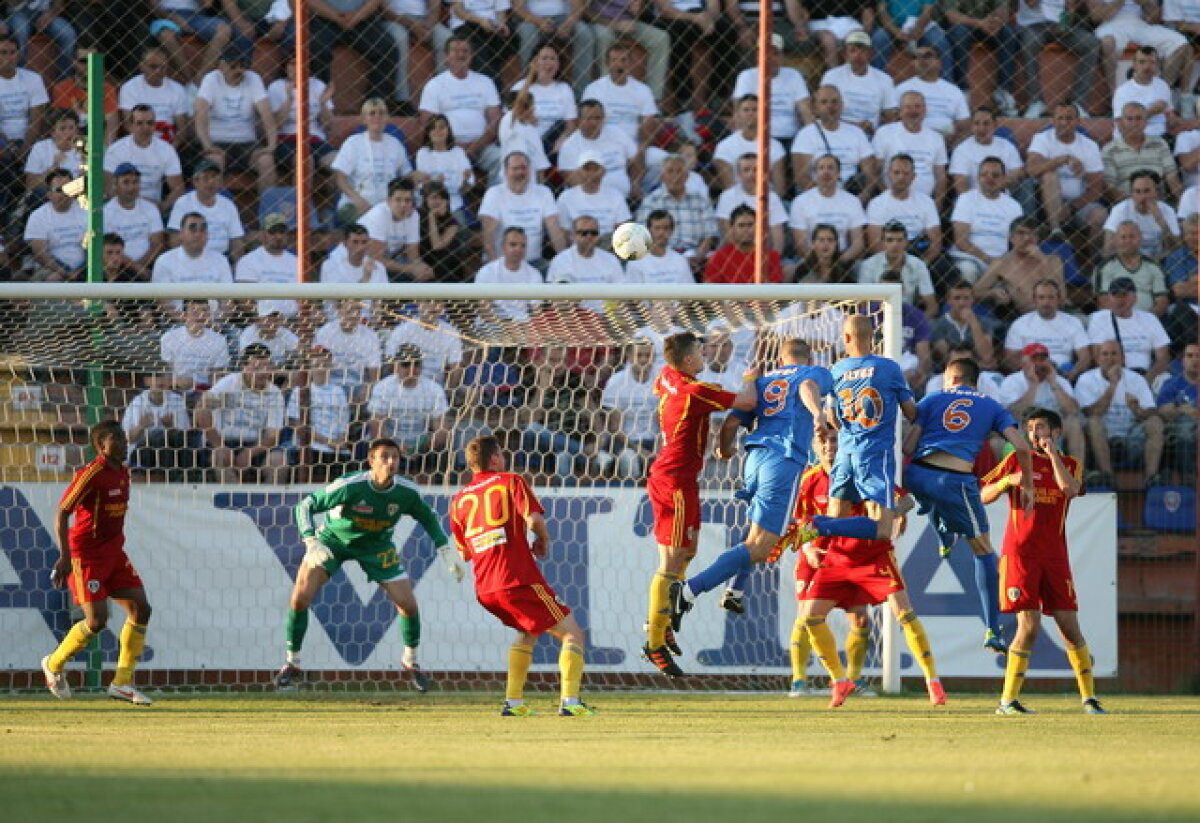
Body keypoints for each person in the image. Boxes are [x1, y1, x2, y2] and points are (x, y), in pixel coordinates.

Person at [669, 338, 830, 622]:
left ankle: (735, 589)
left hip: (754, 461)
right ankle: (690, 589)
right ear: (811, 359)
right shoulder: (812, 374)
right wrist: (818, 414)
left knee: (758, 534)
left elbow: (732, 422)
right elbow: (807, 388)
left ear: (781, 359)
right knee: (760, 547)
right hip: (784, 460)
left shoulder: (762, 381)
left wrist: (724, 447)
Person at [276, 437, 455, 692]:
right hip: (334, 541)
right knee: (299, 599)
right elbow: (305, 505)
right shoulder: (350, 485)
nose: (391, 462)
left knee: (408, 605)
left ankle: (410, 661)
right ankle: (291, 663)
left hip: (377, 547)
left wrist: (444, 547)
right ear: (371, 461)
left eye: (395, 457)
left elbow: (428, 517)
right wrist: (310, 540)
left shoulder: (406, 492)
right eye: (384, 457)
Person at [794, 431, 947, 708]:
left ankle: (932, 682)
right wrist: (807, 548)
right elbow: (801, 519)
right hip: (837, 557)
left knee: (903, 612)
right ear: (816, 446)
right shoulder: (811, 480)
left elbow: (907, 499)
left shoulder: (870, 471)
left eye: (835, 442)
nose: (830, 447)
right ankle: (839, 681)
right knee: (810, 617)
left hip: (874, 556)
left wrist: (897, 512)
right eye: (824, 442)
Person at [449, 435, 596, 716]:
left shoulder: (458, 501)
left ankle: (513, 703)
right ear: (494, 459)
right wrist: (543, 539)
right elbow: (535, 519)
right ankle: (571, 703)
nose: (504, 460)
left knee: (528, 632)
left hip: (485, 589)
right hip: (517, 578)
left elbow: (465, 552)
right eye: (501, 455)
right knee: (573, 634)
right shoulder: (510, 481)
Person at [980, 408, 1108, 716]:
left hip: (1054, 556)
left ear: (1056, 432)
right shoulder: (1015, 461)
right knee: (1029, 625)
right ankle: (1007, 701)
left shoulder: (1071, 465)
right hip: (1021, 554)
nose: (1035, 434)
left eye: (1041, 429)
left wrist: (1053, 457)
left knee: (1068, 626)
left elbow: (1070, 489)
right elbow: (982, 494)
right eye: (1031, 430)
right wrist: (1006, 482)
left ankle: (1089, 699)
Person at [642, 331, 755, 676]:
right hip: (674, 481)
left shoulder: (666, 377)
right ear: (690, 360)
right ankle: (655, 640)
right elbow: (748, 402)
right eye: (701, 351)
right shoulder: (696, 391)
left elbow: (660, 390)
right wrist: (751, 376)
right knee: (672, 558)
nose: (706, 355)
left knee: (686, 553)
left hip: (678, 478)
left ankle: (662, 622)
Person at [903, 357, 1034, 652]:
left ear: (949, 378)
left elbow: (909, 446)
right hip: (954, 480)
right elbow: (1022, 446)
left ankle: (944, 536)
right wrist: (1026, 483)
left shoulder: (933, 397)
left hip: (916, 473)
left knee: (931, 503)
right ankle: (992, 629)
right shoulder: (991, 406)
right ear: (976, 381)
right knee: (984, 550)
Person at [40, 421, 154, 705]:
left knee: (141, 609)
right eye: (117, 439)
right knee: (97, 620)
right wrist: (66, 556)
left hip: (114, 553)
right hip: (86, 555)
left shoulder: (123, 473)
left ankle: (122, 683)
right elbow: (61, 513)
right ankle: (53, 665)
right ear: (101, 445)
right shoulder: (91, 474)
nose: (125, 443)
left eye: (125, 438)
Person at [802, 315, 917, 544]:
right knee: (883, 530)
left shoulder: (837, 370)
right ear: (872, 337)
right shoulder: (888, 368)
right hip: (875, 452)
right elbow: (911, 412)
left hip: (844, 452)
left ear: (846, 337)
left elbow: (833, 418)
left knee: (837, 513)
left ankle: (819, 528)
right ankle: (815, 526)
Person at [1075, 339, 1165, 488]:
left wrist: (1137, 410)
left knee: (1155, 421)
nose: (1110, 358)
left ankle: (1151, 477)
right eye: (1105, 354)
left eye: (1114, 354)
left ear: (1123, 358)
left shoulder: (1136, 379)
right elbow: (1091, 412)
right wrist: (1113, 385)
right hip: (1100, 438)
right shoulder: (1086, 380)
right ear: (1097, 359)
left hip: (1131, 437)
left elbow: (1150, 411)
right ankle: (1108, 476)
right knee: (1094, 421)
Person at [195, 343, 288, 484]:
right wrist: (220, 445)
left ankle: (269, 503)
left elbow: (272, 435)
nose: (262, 372)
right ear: (244, 367)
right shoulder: (230, 385)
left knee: (279, 462)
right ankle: (235, 501)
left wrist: (249, 453)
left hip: (256, 445)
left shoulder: (274, 393)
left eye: (266, 367)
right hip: (223, 441)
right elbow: (201, 410)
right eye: (256, 367)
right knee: (219, 457)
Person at [193, 49, 277, 193]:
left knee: (266, 161)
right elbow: (200, 114)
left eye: (242, 66)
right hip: (218, 141)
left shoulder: (253, 78)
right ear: (221, 66)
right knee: (214, 162)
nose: (239, 70)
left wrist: (271, 145)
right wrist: (208, 145)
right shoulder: (211, 79)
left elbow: (266, 114)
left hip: (247, 143)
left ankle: (268, 213)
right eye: (233, 66)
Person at [1016, 0, 1100, 118]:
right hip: (1033, 25)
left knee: (1091, 43)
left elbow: (1069, 13)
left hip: (1059, 25)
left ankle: (1077, 104)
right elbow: (1031, 3)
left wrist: (1069, 13)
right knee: (1030, 43)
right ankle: (1036, 102)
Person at [791, 85, 878, 199]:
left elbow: (870, 173)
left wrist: (862, 198)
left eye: (834, 102)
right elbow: (802, 177)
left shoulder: (857, 133)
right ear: (815, 108)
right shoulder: (805, 135)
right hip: (818, 196)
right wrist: (828, 198)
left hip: (852, 196)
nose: (830, 106)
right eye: (824, 102)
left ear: (842, 106)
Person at [948, 157, 1025, 284]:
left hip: (1002, 261)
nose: (990, 178)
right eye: (984, 174)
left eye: (995, 175)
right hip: (970, 258)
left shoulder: (1014, 206)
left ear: (1004, 178)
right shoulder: (966, 199)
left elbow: (1018, 241)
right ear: (978, 178)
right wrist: (988, 259)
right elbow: (961, 241)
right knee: (968, 270)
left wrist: (1001, 262)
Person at [973, 217, 1066, 319]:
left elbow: (1062, 297)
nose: (1026, 238)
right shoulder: (1002, 264)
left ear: (1037, 238)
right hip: (1028, 318)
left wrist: (1042, 259)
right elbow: (974, 292)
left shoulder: (1053, 260)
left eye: (1032, 234)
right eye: (1021, 233)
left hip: (1059, 315)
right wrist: (992, 293)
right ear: (1011, 238)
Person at [821, 29, 898, 135]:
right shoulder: (832, 76)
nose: (858, 55)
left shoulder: (885, 79)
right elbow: (824, 111)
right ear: (845, 54)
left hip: (869, 134)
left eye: (863, 51)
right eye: (853, 50)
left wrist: (876, 130)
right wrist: (853, 126)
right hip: (836, 132)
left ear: (871, 54)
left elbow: (891, 116)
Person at [167, 160, 246, 261]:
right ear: (195, 182)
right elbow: (174, 239)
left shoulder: (228, 205)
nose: (211, 182)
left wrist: (236, 264)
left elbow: (236, 240)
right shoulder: (183, 203)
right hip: (191, 258)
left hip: (222, 259)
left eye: (215, 178)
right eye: (206, 178)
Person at [895, 43, 970, 138]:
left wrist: (953, 143)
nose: (921, 60)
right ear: (912, 63)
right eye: (916, 57)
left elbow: (964, 124)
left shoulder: (953, 90)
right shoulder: (902, 89)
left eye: (927, 56)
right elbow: (894, 120)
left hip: (947, 142)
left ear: (939, 62)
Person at [702, 204, 785, 284]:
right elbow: (709, 289)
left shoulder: (771, 256)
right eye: (741, 225)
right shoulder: (718, 257)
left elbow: (774, 288)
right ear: (732, 228)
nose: (746, 229)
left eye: (750, 225)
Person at [1157, 341, 1199, 482]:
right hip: (1180, 427)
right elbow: (1162, 410)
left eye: (1198, 356)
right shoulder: (1171, 384)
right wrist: (1180, 407)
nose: (1195, 360)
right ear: (1182, 361)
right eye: (1190, 356)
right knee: (1185, 426)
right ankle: (1188, 478)